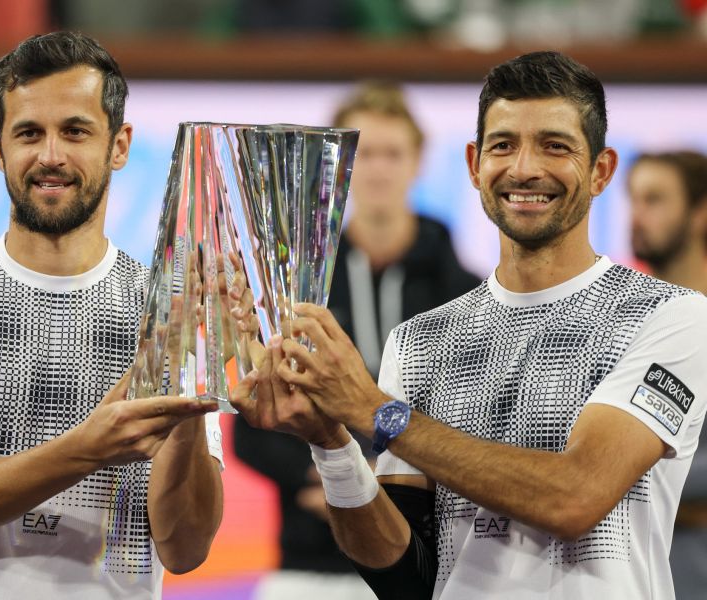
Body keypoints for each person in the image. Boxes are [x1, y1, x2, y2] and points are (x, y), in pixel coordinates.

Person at [232, 51, 707, 599]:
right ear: (473, 164)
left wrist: (373, 410)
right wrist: (330, 441)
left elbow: (574, 496)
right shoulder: (418, 340)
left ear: (601, 171)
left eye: (555, 145)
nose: (525, 168)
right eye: (504, 145)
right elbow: (404, 573)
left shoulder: (669, 316)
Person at [0, 32, 230, 599]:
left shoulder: (166, 309)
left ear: (120, 145)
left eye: (75, 131)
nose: (50, 156)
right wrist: (92, 445)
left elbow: (185, 548)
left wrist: (185, 405)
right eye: (29, 133)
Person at [232, 82, 479, 600]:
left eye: (393, 153)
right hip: (309, 563)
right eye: (363, 154)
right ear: (336, 168)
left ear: (419, 161)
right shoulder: (293, 290)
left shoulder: (470, 294)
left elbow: (482, 424)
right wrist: (325, 476)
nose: (378, 169)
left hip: (441, 568)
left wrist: (389, 484)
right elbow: (254, 424)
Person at [627, 150, 707, 600]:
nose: (637, 216)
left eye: (654, 200)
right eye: (634, 199)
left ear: (700, 213)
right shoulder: (619, 325)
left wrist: (614, 473)